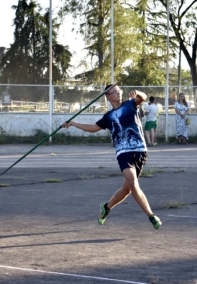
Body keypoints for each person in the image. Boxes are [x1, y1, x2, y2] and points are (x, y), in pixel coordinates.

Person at [62, 84, 162, 229]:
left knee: (127, 189)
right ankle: (151, 216)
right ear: (108, 97)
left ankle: (106, 207)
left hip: (140, 150)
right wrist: (73, 123)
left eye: (119, 91)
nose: (118, 93)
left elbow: (143, 97)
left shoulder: (130, 104)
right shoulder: (108, 117)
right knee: (133, 183)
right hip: (123, 153)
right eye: (114, 92)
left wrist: (138, 92)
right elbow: (93, 128)